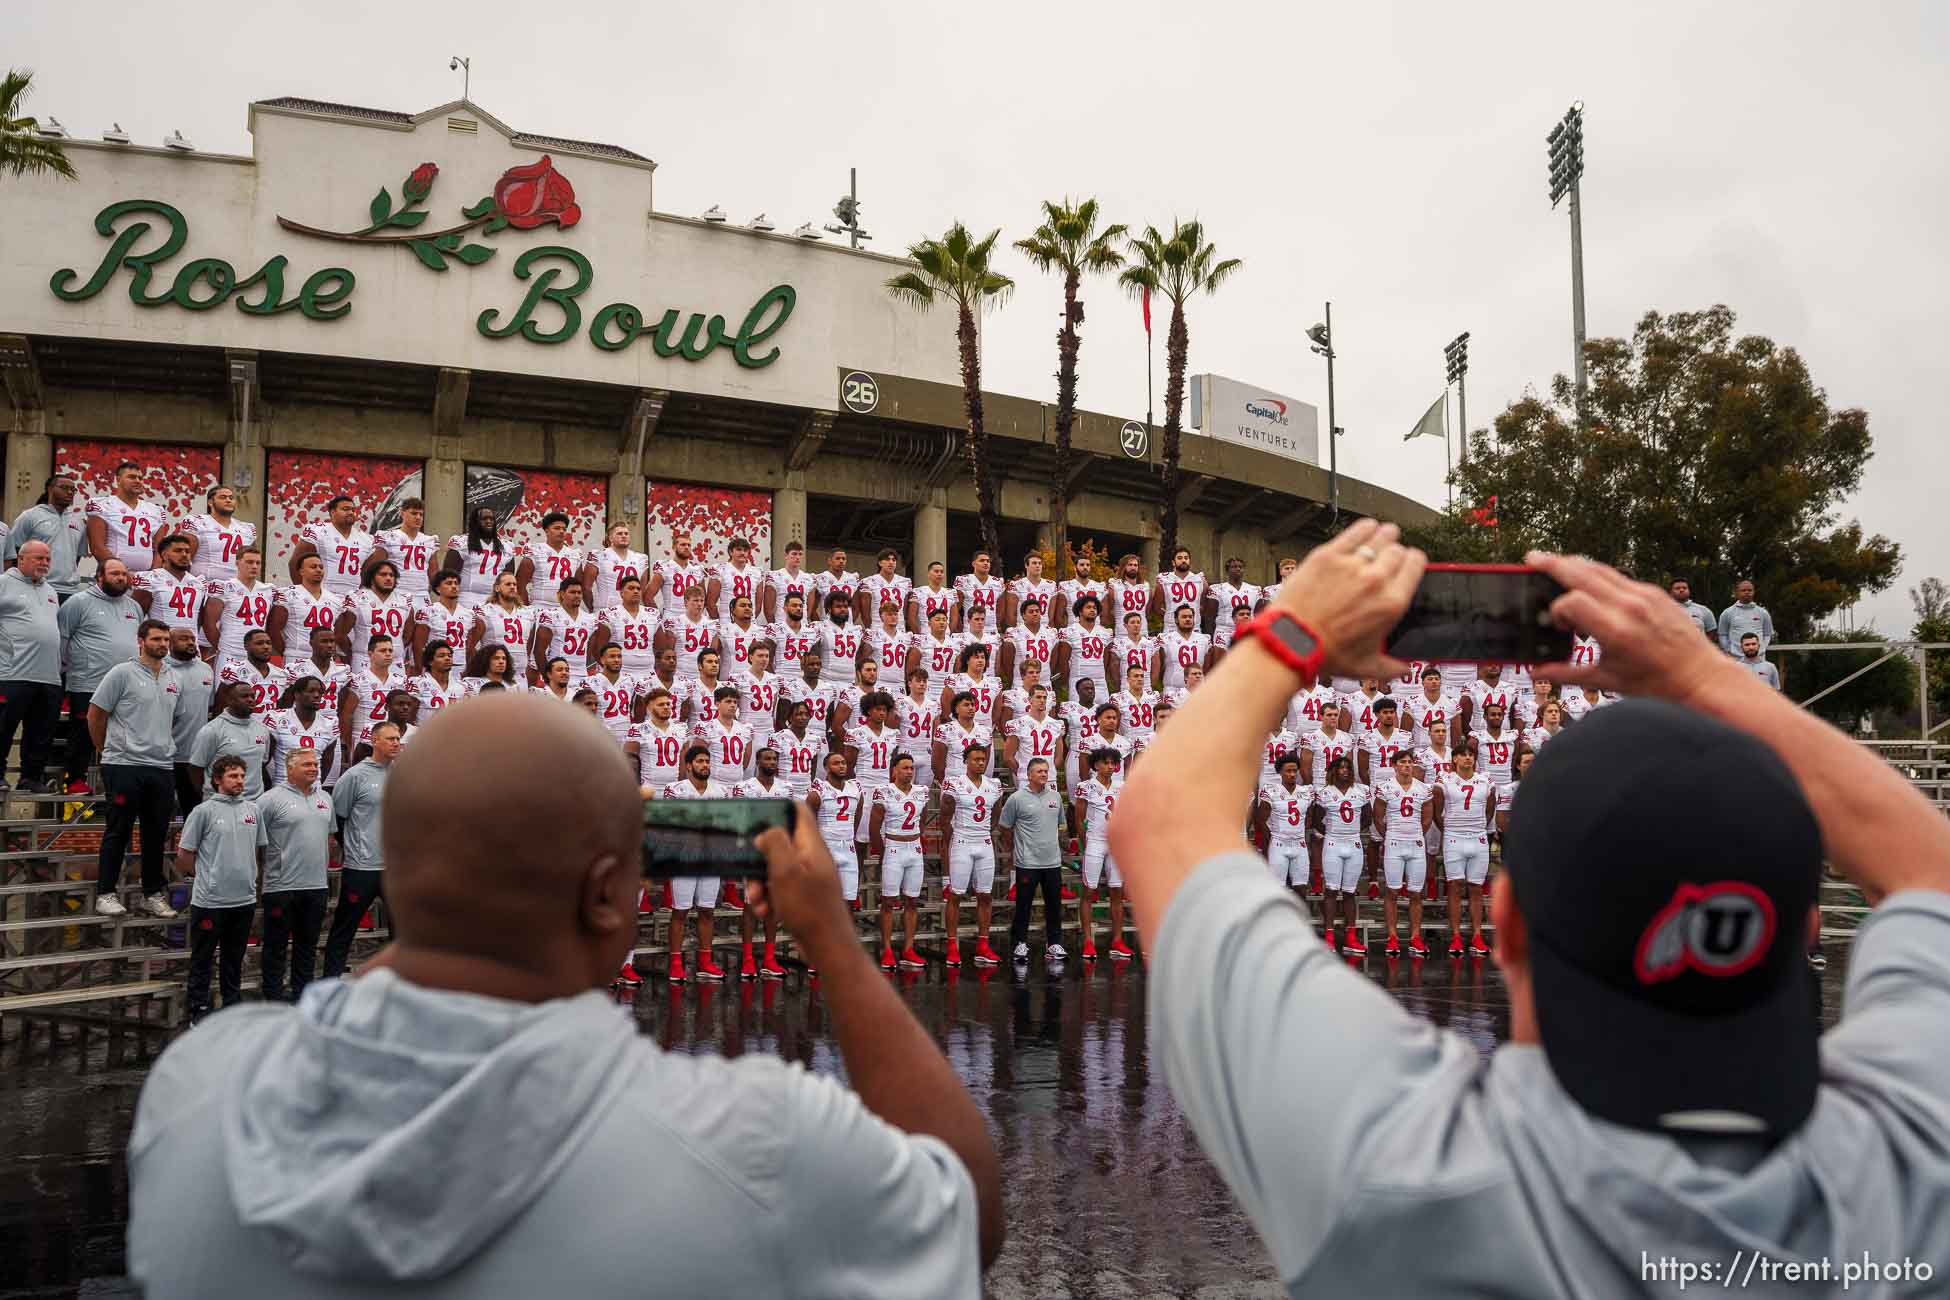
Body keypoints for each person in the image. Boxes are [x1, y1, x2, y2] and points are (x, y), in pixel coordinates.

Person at [1117, 523, 1950, 1295]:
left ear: (1504, 921)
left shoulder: (1401, 1170)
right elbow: (1927, 866)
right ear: (1807, 929)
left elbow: (1161, 817)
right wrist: (1702, 673)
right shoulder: (1916, 1160)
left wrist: (1289, 632)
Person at [127, 693, 1002, 1296]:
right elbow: (963, 1218)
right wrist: (836, 945)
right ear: (603, 895)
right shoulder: (755, 1136)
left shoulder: (198, 1086)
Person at [90, 619, 185, 918]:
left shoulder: (174, 677)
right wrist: (106, 750)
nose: (163, 645)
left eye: (166, 639)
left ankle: (152, 893)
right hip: (124, 764)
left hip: (160, 765)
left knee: (155, 833)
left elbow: (174, 718)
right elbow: (95, 715)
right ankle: (105, 893)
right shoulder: (121, 673)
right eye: (156, 639)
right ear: (141, 641)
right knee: (118, 830)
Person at [174, 753, 262, 1024]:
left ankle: (232, 1007)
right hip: (211, 901)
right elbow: (184, 855)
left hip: (243, 899)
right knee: (202, 959)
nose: (239, 781)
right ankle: (197, 1010)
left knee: (234, 959)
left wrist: (253, 882)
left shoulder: (253, 810)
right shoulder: (203, 812)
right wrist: (207, 878)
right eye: (233, 776)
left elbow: (258, 851)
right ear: (217, 780)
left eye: (241, 776)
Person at [255, 746, 334, 1003]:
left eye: (315, 764)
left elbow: (330, 838)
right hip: (281, 886)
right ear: (290, 768)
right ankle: (272, 999)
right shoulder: (270, 800)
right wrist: (258, 878)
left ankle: (303, 997)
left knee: (307, 947)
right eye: (307, 764)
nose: (313, 768)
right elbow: (255, 841)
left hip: (316, 885)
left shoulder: (326, 799)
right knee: (275, 947)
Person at [322, 719, 399, 977]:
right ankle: (331, 980)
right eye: (391, 738)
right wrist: (355, 849)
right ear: (375, 741)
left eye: (398, 738)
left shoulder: (402, 772)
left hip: (393, 867)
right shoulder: (354, 776)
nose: (396, 743)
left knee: (401, 931)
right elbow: (339, 818)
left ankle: (399, 985)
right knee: (345, 927)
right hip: (362, 866)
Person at [0, 540, 66, 793]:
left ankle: (30, 778)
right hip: (12, 672)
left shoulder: (49, 590)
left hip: (48, 676)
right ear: (21, 559)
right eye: (39, 558)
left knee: (41, 733)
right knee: (3, 729)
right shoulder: (4, 583)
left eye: (48, 559)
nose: (45, 563)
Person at [660, 743, 729, 983]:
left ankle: (705, 961)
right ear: (688, 766)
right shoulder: (675, 789)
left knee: (707, 911)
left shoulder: (720, 791)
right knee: (680, 911)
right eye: (700, 761)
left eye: (707, 761)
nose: (705, 765)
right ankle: (676, 962)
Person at [940, 743, 1004, 969]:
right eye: (975, 759)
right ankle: (952, 945)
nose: (980, 762)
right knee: (956, 894)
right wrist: (956, 837)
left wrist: (985, 831)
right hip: (962, 841)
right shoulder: (955, 784)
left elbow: (995, 813)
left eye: (983, 759)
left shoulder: (994, 785)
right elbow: (945, 817)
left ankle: (983, 945)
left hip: (984, 842)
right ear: (966, 760)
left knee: (985, 895)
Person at [733, 748, 791, 981]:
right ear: (757, 761)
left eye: (775, 759)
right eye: (767, 758)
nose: (771, 762)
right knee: (751, 904)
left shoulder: (785, 788)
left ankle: (769, 958)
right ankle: (747, 958)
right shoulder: (744, 788)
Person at [1000, 756, 1065, 961]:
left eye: (1046, 771)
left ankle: (1054, 944)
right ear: (1029, 775)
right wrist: (1015, 850)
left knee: (1054, 905)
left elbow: (1061, 826)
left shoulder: (1056, 797)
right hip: (1027, 862)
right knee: (1023, 905)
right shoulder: (1017, 798)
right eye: (1039, 771)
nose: (1044, 774)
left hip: (1052, 862)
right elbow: (1005, 827)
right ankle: (1019, 943)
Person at [869, 753, 929, 971]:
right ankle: (886, 948)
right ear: (894, 770)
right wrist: (882, 850)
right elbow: (874, 828)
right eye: (905, 768)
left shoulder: (921, 793)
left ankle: (908, 949)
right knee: (888, 901)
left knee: (912, 901)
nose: (909, 772)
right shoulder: (884, 792)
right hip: (893, 846)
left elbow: (921, 822)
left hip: (914, 847)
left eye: (911, 768)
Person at [1072, 747, 1132, 962]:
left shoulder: (1122, 786)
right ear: (1096, 764)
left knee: (1117, 893)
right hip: (1095, 842)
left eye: (1113, 763)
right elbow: (1078, 818)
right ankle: (1088, 940)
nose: (1110, 767)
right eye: (1106, 763)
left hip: (1115, 844)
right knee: (1089, 891)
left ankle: (1117, 940)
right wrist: (1084, 841)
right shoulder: (1085, 787)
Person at [1372, 750, 1435, 958]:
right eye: (1403, 762)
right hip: (1395, 843)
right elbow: (1378, 817)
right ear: (1395, 765)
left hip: (1415, 843)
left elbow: (1427, 818)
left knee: (1416, 892)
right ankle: (1392, 936)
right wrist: (1390, 835)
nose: (1407, 765)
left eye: (1410, 762)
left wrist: (1415, 834)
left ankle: (1415, 936)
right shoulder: (1385, 787)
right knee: (1392, 891)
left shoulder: (1423, 788)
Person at [1311, 754, 1371, 953]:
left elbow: (1367, 819)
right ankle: (1328, 935)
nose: (1345, 770)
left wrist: (1351, 831)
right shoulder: (1325, 792)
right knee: (1330, 890)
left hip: (1353, 842)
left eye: (1347, 767)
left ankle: (1350, 937)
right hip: (1333, 842)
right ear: (1334, 771)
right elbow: (1317, 820)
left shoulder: (1362, 791)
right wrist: (1334, 833)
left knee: (1349, 891)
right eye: (1341, 767)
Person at [804, 749, 864, 918]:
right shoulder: (819, 789)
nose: (841, 766)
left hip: (848, 846)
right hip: (827, 844)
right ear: (826, 767)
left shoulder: (855, 787)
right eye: (836, 763)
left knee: (849, 899)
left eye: (843, 763)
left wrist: (850, 834)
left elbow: (857, 815)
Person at [200, 545, 274, 680]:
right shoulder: (225, 587)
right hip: (230, 652)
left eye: (258, 563)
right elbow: (208, 623)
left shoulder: (268, 590)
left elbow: (271, 624)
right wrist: (223, 646)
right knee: (226, 696)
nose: (254, 566)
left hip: (257, 655)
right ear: (237, 563)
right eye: (249, 562)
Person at [8, 472, 86, 601]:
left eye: (73, 489)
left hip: (70, 591)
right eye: (64, 488)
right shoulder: (30, 516)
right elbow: (14, 552)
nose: (70, 492)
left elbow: (76, 557)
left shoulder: (78, 521)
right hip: (37, 586)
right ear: (50, 489)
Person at [190, 679, 272, 800]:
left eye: (252, 696)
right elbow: (195, 768)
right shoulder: (212, 730)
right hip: (220, 803)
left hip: (254, 804)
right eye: (244, 696)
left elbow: (262, 763)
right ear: (229, 700)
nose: (250, 699)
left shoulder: (262, 730)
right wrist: (210, 796)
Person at [164, 627, 215, 810]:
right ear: (169, 643)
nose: (191, 642)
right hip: (164, 755)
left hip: (195, 756)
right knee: (159, 813)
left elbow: (209, 707)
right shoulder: (161, 668)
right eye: (183, 639)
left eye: (192, 638)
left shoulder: (206, 669)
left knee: (193, 810)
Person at [336, 560, 414, 677]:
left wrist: (394, 648)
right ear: (372, 578)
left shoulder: (404, 600)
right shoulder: (357, 598)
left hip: (394, 661)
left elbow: (407, 635)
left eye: (391, 575)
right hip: (365, 659)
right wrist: (351, 652)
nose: (388, 578)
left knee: (397, 694)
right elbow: (341, 633)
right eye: (383, 574)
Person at [84, 460, 163, 575]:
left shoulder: (155, 510)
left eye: (140, 478)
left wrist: (152, 576)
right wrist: (120, 573)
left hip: (145, 577)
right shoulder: (103, 505)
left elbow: (160, 550)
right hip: (113, 576)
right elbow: (97, 547)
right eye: (131, 477)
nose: (137, 481)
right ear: (118, 479)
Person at [289, 495, 377, 595]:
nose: (350, 513)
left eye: (353, 510)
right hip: (324, 593)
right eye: (345, 509)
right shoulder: (318, 531)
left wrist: (362, 593)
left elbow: (369, 572)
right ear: (332, 512)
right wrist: (306, 593)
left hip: (353, 597)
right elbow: (295, 563)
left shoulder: (366, 539)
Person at [269, 552, 343, 663]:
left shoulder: (335, 599)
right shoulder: (288, 595)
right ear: (301, 571)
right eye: (313, 567)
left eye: (321, 567)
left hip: (326, 657)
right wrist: (288, 652)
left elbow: (339, 632)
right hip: (297, 656)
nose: (318, 570)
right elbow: (273, 629)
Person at [1254, 754, 1313, 892]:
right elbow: (1261, 820)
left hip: (1299, 844)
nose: (1292, 774)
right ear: (1280, 772)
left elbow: (1310, 816)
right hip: (1279, 843)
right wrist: (1271, 839)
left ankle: (1299, 914)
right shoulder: (1271, 791)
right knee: (1277, 889)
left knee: (1301, 888)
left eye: (1294, 771)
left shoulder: (1306, 791)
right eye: (1288, 771)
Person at [269, 673, 337, 787]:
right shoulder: (277, 718)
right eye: (311, 691)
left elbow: (326, 764)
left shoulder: (329, 724)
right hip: (283, 789)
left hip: (313, 791)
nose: (317, 695)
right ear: (297, 694)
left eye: (320, 692)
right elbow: (265, 758)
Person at [181, 485, 257, 587]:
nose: (228, 500)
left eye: (231, 498)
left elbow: (252, 561)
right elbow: (185, 558)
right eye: (223, 497)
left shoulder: (247, 528)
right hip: (203, 586)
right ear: (210, 502)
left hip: (235, 588)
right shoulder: (198, 522)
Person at [515, 511, 585, 611]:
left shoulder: (575, 554)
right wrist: (525, 609)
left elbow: (579, 585)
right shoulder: (535, 551)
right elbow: (520, 584)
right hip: (540, 606)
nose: (561, 531)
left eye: (564, 529)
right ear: (547, 531)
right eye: (557, 528)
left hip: (566, 608)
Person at [532, 576, 597, 684]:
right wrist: (548, 676)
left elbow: (588, 652)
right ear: (562, 594)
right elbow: (539, 651)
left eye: (579, 592)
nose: (577, 595)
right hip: (558, 674)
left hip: (581, 674)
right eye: (572, 592)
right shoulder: (550, 616)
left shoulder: (590, 619)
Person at [441, 506, 508, 608]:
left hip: (496, 599)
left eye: (491, 519)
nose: (489, 521)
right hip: (467, 598)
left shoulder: (506, 546)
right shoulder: (462, 543)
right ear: (475, 522)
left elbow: (508, 578)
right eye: (484, 519)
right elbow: (448, 576)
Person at [373, 496, 436, 600]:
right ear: (402, 513)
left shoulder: (430, 540)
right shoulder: (388, 537)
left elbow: (433, 572)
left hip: (422, 595)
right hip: (397, 593)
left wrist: (426, 590)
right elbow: (375, 567)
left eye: (421, 514)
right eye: (414, 513)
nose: (418, 517)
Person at [411, 570, 472, 671]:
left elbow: (469, 647)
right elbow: (418, 645)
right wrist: (420, 667)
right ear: (438, 589)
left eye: (456, 583)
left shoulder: (469, 614)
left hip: (460, 665)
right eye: (448, 583)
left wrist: (468, 669)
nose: (453, 586)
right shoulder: (428, 611)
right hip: (436, 665)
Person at [1054, 594, 1111, 700]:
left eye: (1094, 608)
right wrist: (1066, 681)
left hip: (1100, 682)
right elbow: (1063, 661)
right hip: (1078, 680)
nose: (1092, 610)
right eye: (1088, 607)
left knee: (1103, 713)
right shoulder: (1069, 631)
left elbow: (1106, 660)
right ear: (1080, 611)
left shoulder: (1105, 632)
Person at [589, 521, 647, 609]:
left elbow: (641, 589)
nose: (624, 536)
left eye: (626, 533)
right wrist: (592, 607)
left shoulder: (640, 558)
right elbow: (586, 587)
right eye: (619, 533)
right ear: (610, 538)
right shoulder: (599, 556)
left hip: (631, 610)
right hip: (606, 609)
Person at [647, 532, 707, 616]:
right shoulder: (664, 567)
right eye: (682, 545)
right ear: (674, 547)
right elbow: (648, 596)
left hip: (692, 618)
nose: (686, 547)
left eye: (689, 545)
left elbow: (704, 598)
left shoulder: (697, 569)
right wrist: (657, 616)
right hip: (672, 618)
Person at [1156, 603, 1211, 694]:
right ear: (1176, 620)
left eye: (1190, 617)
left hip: (1197, 690)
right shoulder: (1165, 639)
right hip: (1172, 691)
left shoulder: (1204, 639)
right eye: (1184, 617)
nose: (1188, 619)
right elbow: (1161, 667)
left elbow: (1206, 668)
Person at [1206, 557, 1259, 646]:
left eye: (1240, 567)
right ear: (1227, 571)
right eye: (1234, 567)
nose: (1238, 569)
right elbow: (1210, 617)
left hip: (1247, 631)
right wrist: (1210, 637)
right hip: (1224, 632)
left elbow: (1258, 614)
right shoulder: (1218, 589)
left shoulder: (1254, 589)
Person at [1717, 577, 1775, 656]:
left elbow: (1767, 634)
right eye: (1743, 590)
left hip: (1758, 658)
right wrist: (1729, 650)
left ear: (1754, 592)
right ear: (1737, 593)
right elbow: (1722, 634)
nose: (1747, 592)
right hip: (1736, 659)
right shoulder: (1727, 613)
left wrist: (1762, 649)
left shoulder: (1763, 612)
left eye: (1749, 590)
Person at [854, 547, 910, 628]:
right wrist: (871, 630)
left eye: (893, 560)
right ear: (880, 563)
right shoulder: (868, 582)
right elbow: (865, 614)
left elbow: (905, 611)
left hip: (899, 629)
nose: (891, 562)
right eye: (887, 560)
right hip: (878, 628)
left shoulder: (905, 582)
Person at [763, 538, 814, 622]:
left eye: (800, 554)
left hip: (801, 625)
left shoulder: (809, 578)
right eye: (794, 554)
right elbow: (768, 609)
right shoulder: (775, 576)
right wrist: (774, 627)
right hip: (782, 623)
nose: (797, 557)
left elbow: (809, 610)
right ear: (786, 556)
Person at [1002, 551, 1055, 630]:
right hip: (1022, 629)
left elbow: (1051, 616)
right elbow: (1011, 616)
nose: (1037, 566)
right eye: (1034, 563)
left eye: (1039, 563)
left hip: (1044, 629)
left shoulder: (1051, 585)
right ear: (1026, 565)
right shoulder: (1016, 585)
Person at [1153, 546, 1206, 624]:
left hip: (1194, 628)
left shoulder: (1200, 579)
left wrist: (1195, 616)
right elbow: (1157, 607)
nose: (1183, 560)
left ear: (1190, 561)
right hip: (1171, 628)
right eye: (1180, 558)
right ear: (1173, 562)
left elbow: (1204, 605)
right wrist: (1170, 617)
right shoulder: (1164, 580)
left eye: (1186, 558)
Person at [953, 550, 1003, 632]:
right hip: (970, 628)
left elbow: (1000, 609)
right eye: (982, 560)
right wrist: (959, 625)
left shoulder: (997, 582)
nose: (986, 563)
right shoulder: (963, 580)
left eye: (988, 561)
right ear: (973, 564)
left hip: (991, 629)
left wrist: (997, 624)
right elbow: (956, 609)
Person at [1052, 554, 1105, 630]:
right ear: (1075, 567)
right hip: (1074, 631)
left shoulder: (1099, 586)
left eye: (1088, 565)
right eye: (1082, 565)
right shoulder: (1066, 586)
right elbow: (1059, 616)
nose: (1085, 567)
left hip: (1095, 631)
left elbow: (1104, 614)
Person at [909, 559, 958, 633]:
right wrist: (919, 634)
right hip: (925, 634)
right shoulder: (918, 591)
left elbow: (954, 617)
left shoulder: (951, 592)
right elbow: (911, 618)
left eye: (941, 571)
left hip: (946, 635)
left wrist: (949, 632)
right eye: (936, 571)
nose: (939, 574)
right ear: (928, 574)